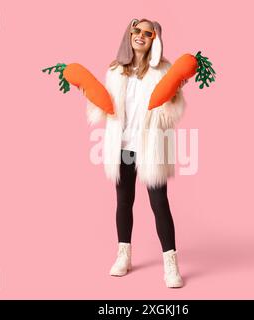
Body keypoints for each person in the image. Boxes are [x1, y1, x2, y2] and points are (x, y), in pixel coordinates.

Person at [84, 18, 188, 288]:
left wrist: (175, 92)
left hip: (151, 144)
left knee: (159, 202)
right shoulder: (115, 71)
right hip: (123, 147)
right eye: (136, 31)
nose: (140, 36)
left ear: (155, 39)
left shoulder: (165, 70)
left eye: (147, 33)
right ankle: (123, 254)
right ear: (129, 35)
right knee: (123, 200)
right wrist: (87, 91)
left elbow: (169, 114)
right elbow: (105, 108)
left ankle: (170, 263)